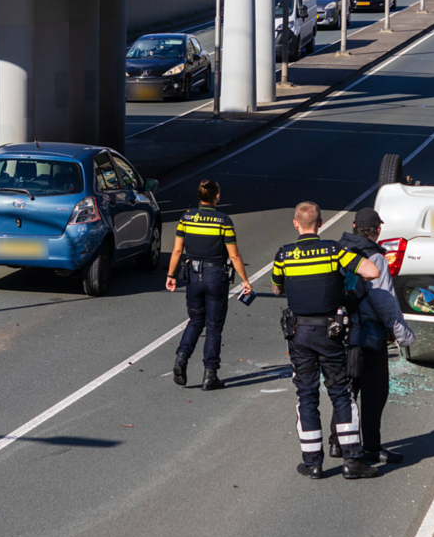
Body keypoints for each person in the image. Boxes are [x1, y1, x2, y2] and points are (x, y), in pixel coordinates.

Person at [272, 201, 381, 480]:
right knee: (340, 393)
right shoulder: (334, 251)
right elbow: (372, 272)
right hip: (330, 334)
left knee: (306, 395)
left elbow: (276, 287)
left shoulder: (284, 255)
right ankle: (352, 461)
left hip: (298, 334)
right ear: (320, 224)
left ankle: (312, 463)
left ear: (296, 224)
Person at [326, 208, 415, 465]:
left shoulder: (336, 251)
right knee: (375, 392)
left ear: (354, 226)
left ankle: (337, 442)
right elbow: (384, 301)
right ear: (378, 230)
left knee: (347, 389)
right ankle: (371, 448)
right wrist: (403, 335)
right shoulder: (374, 257)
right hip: (368, 335)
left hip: (339, 332)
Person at [167, 179, 252, 391]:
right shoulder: (223, 220)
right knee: (214, 326)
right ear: (217, 196)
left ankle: (181, 358)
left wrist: (171, 275)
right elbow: (234, 255)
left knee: (195, 320)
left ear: (199, 196)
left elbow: (177, 251)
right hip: (216, 276)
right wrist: (245, 280)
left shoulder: (186, 218)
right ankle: (210, 375)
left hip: (193, 276)